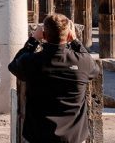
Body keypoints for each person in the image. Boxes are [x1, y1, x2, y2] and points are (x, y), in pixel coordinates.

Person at [9, 13, 99, 143]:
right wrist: (75, 41)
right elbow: (94, 70)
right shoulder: (82, 61)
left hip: (39, 136)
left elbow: (13, 66)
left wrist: (33, 40)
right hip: (73, 136)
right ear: (68, 35)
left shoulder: (32, 61)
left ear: (44, 35)